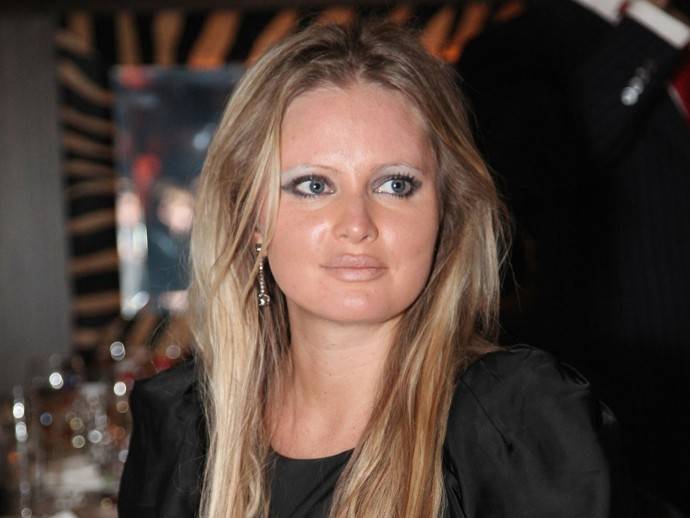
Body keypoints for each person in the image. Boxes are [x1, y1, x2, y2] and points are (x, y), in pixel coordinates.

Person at [117, 20, 630, 518]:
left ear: (447, 214)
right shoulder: (182, 425)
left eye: (395, 185)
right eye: (314, 185)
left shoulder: (516, 425)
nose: (357, 224)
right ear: (250, 217)